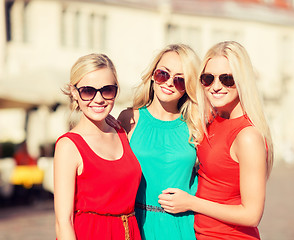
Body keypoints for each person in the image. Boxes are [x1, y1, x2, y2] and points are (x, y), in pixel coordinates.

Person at [158, 41, 274, 239]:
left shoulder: (247, 136)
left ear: (242, 81)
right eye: (208, 78)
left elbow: (252, 215)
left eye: (227, 79)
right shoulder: (212, 121)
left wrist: (191, 203)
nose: (216, 87)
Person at [116, 44, 201, 240]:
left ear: (188, 86)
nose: (169, 83)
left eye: (180, 80)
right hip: (137, 225)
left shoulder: (195, 125)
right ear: (153, 75)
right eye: (163, 74)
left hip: (182, 228)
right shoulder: (129, 119)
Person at [54, 53, 142, 240]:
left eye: (107, 90)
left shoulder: (121, 132)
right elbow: (64, 222)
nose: (99, 99)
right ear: (74, 92)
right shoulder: (69, 146)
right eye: (88, 91)